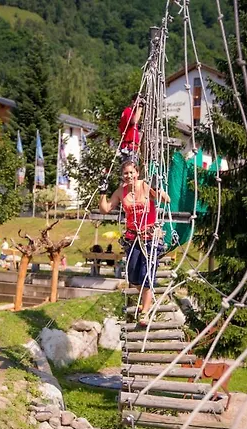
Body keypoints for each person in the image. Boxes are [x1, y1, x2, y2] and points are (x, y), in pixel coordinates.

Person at [99, 160, 170, 325]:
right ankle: (145, 298)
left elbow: (167, 200)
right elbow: (105, 209)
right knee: (132, 276)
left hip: (150, 237)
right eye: (126, 173)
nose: (129, 176)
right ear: (122, 175)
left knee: (146, 275)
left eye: (132, 172)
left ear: (137, 173)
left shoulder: (145, 186)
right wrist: (102, 192)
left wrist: (157, 189)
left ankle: (145, 312)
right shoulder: (120, 191)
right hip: (132, 238)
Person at [118, 94, 144, 164]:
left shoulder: (129, 112)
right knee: (130, 167)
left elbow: (119, 129)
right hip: (129, 148)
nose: (138, 105)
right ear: (133, 102)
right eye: (138, 102)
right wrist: (140, 107)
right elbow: (134, 121)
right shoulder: (128, 111)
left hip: (130, 146)